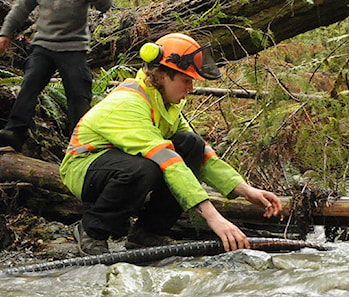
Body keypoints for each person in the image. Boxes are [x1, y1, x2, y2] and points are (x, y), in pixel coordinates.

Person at [60, 32, 283, 256]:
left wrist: (245, 190)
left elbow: (202, 155)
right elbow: (168, 160)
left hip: (122, 163)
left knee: (191, 144)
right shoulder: (128, 102)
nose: (191, 89)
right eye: (186, 80)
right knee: (143, 169)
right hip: (85, 167)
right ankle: (92, 231)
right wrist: (213, 217)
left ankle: (147, 234)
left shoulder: (165, 103)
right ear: (162, 75)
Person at [0, 0, 114, 152]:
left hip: (74, 48)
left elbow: (106, 2)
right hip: (44, 45)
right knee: (29, 86)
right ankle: (14, 133)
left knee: (79, 96)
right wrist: (5, 33)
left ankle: (81, 143)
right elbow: (21, 8)